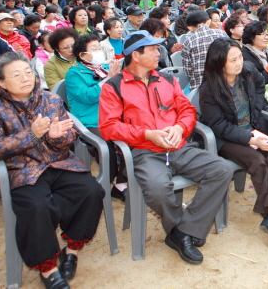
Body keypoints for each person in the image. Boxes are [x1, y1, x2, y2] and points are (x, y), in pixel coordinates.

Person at [99, 31, 234, 264]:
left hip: (179, 146)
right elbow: (108, 127)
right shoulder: (114, 87)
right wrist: (147, 134)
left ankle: (182, 232)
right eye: (152, 49)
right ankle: (180, 230)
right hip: (145, 152)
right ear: (136, 56)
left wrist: (180, 128)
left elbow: (187, 111)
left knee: (221, 170)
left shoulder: (167, 80)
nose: (158, 52)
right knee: (158, 188)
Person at [0, 51, 104, 289]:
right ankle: (47, 268)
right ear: (1, 83)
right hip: (22, 169)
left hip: (58, 162)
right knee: (37, 206)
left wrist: (57, 138)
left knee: (91, 191)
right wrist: (32, 135)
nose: (26, 78)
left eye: (28, 72)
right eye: (16, 75)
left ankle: (73, 249)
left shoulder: (50, 100)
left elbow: (68, 135)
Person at [199, 38, 268, 239]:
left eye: (239, 57)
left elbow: (261, 83)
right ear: (219, 63)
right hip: (224, 139)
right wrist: (251, 140)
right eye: (232, 60)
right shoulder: (209, 90)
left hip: (251, 130)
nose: (238, 63)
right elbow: (219, 126)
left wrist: (257, 107)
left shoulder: (249, 71)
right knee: (257, 159)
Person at [65, 34, 125, 200]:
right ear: (82, 55)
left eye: (99, 48)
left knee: (136, 135)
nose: (99, 52)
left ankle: (121, 182)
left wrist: (118, 78)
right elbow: (87, 96)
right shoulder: (74, 74)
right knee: (105, 145)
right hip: (89, 120)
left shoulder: (103, 67)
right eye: (94, 49)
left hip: (111, 115)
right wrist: (109, 79)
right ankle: (110, 178)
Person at [183, 10, 227, 90]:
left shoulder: (188, 41)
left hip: (200, 88)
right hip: (224, 84)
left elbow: (188, 72)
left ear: (189, 27)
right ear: (209, 21)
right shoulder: (222, 34)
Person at [241, 21, 268, 86]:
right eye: (262, 34)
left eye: (267, 34)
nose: (266, 37)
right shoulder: (244, 54)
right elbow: (251, 82)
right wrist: (267, 72)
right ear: (251, 37)